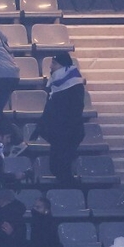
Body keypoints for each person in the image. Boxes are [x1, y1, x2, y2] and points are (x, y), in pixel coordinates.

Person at [30, 52, 85, 186]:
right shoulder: (56, 85)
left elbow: (75, 110)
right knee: (56, 166)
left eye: (54, 63)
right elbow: (49, 108)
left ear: (62, 65)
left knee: (60, 166)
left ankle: (71, 191)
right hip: (59, 132)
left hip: (69, 132)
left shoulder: (75, 85)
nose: (50, 66)